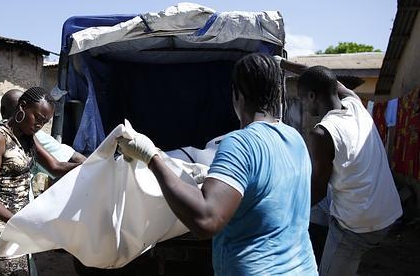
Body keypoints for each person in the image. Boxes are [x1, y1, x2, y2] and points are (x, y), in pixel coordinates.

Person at [117, 53, 317, 275]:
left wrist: (151, 157)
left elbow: (206, 219)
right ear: (278, 93)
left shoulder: (241, 143)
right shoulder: (295, 138)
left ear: (237, 95)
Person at [280, 60, 402, 276]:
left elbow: (315, 192)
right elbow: (325, 77)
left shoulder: (322, 133)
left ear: (311, 97)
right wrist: (283, 63)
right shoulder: (356, 105)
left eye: (303, 100)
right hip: (389, 209)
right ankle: (320, 248)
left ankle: (328, 258)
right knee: (318, 207)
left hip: (359, 225)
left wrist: (280, 212)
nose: (304, 107)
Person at [0, 87, 80, 275]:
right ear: (23, 106)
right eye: (37, 118)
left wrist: (93, 165)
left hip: (21, 226)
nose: (39, 125)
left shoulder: (29, 139)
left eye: (44, 122)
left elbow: (55, 167)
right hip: (1, 227)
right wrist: (16, 223)